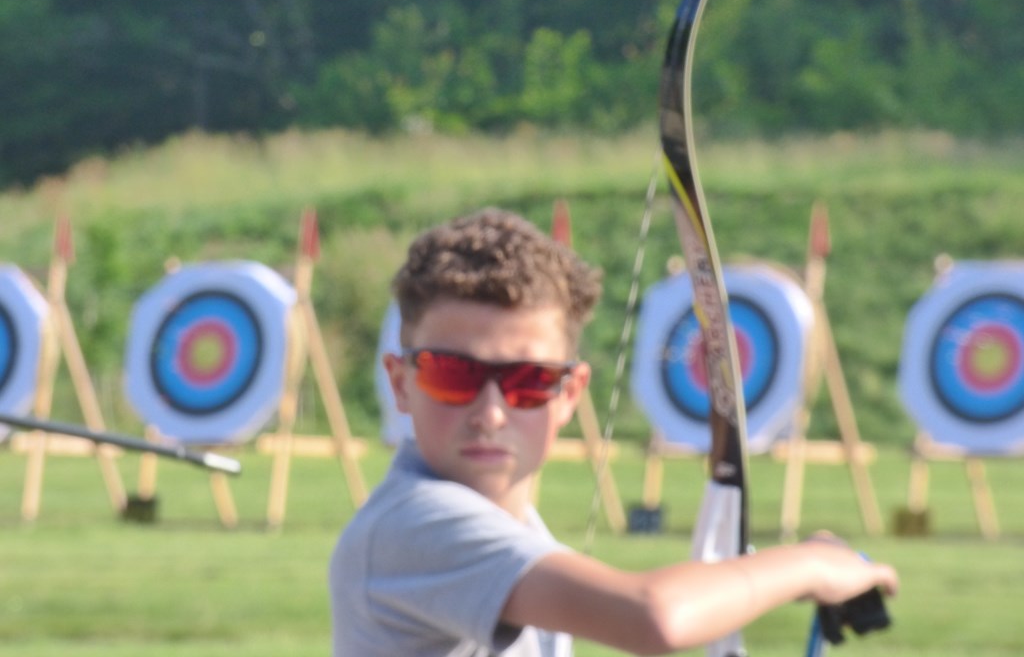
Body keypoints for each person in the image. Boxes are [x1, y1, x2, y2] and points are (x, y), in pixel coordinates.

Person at [329, 207, 898, 656]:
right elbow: (654, 616)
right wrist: (809, 565)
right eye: (454, 374)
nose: (491, 413)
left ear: (570, 393)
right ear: (401, 383)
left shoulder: (518, 532)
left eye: (529, 381)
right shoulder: (413, 525)